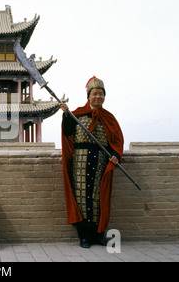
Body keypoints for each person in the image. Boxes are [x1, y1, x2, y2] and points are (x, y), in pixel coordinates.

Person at [60, 76, 124, 248]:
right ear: (88, 96)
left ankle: (98, 235)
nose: (98, 97)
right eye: (95, 94)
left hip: (100, 162)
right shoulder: (77, 114)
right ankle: (84, 237)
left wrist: (115, 155)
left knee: (98, 197)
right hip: (80, 161)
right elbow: (67, 133)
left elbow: (115, 141)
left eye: (101, 94)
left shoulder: (108, 118)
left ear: (104, 96)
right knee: (82, 197)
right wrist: (66, 115)